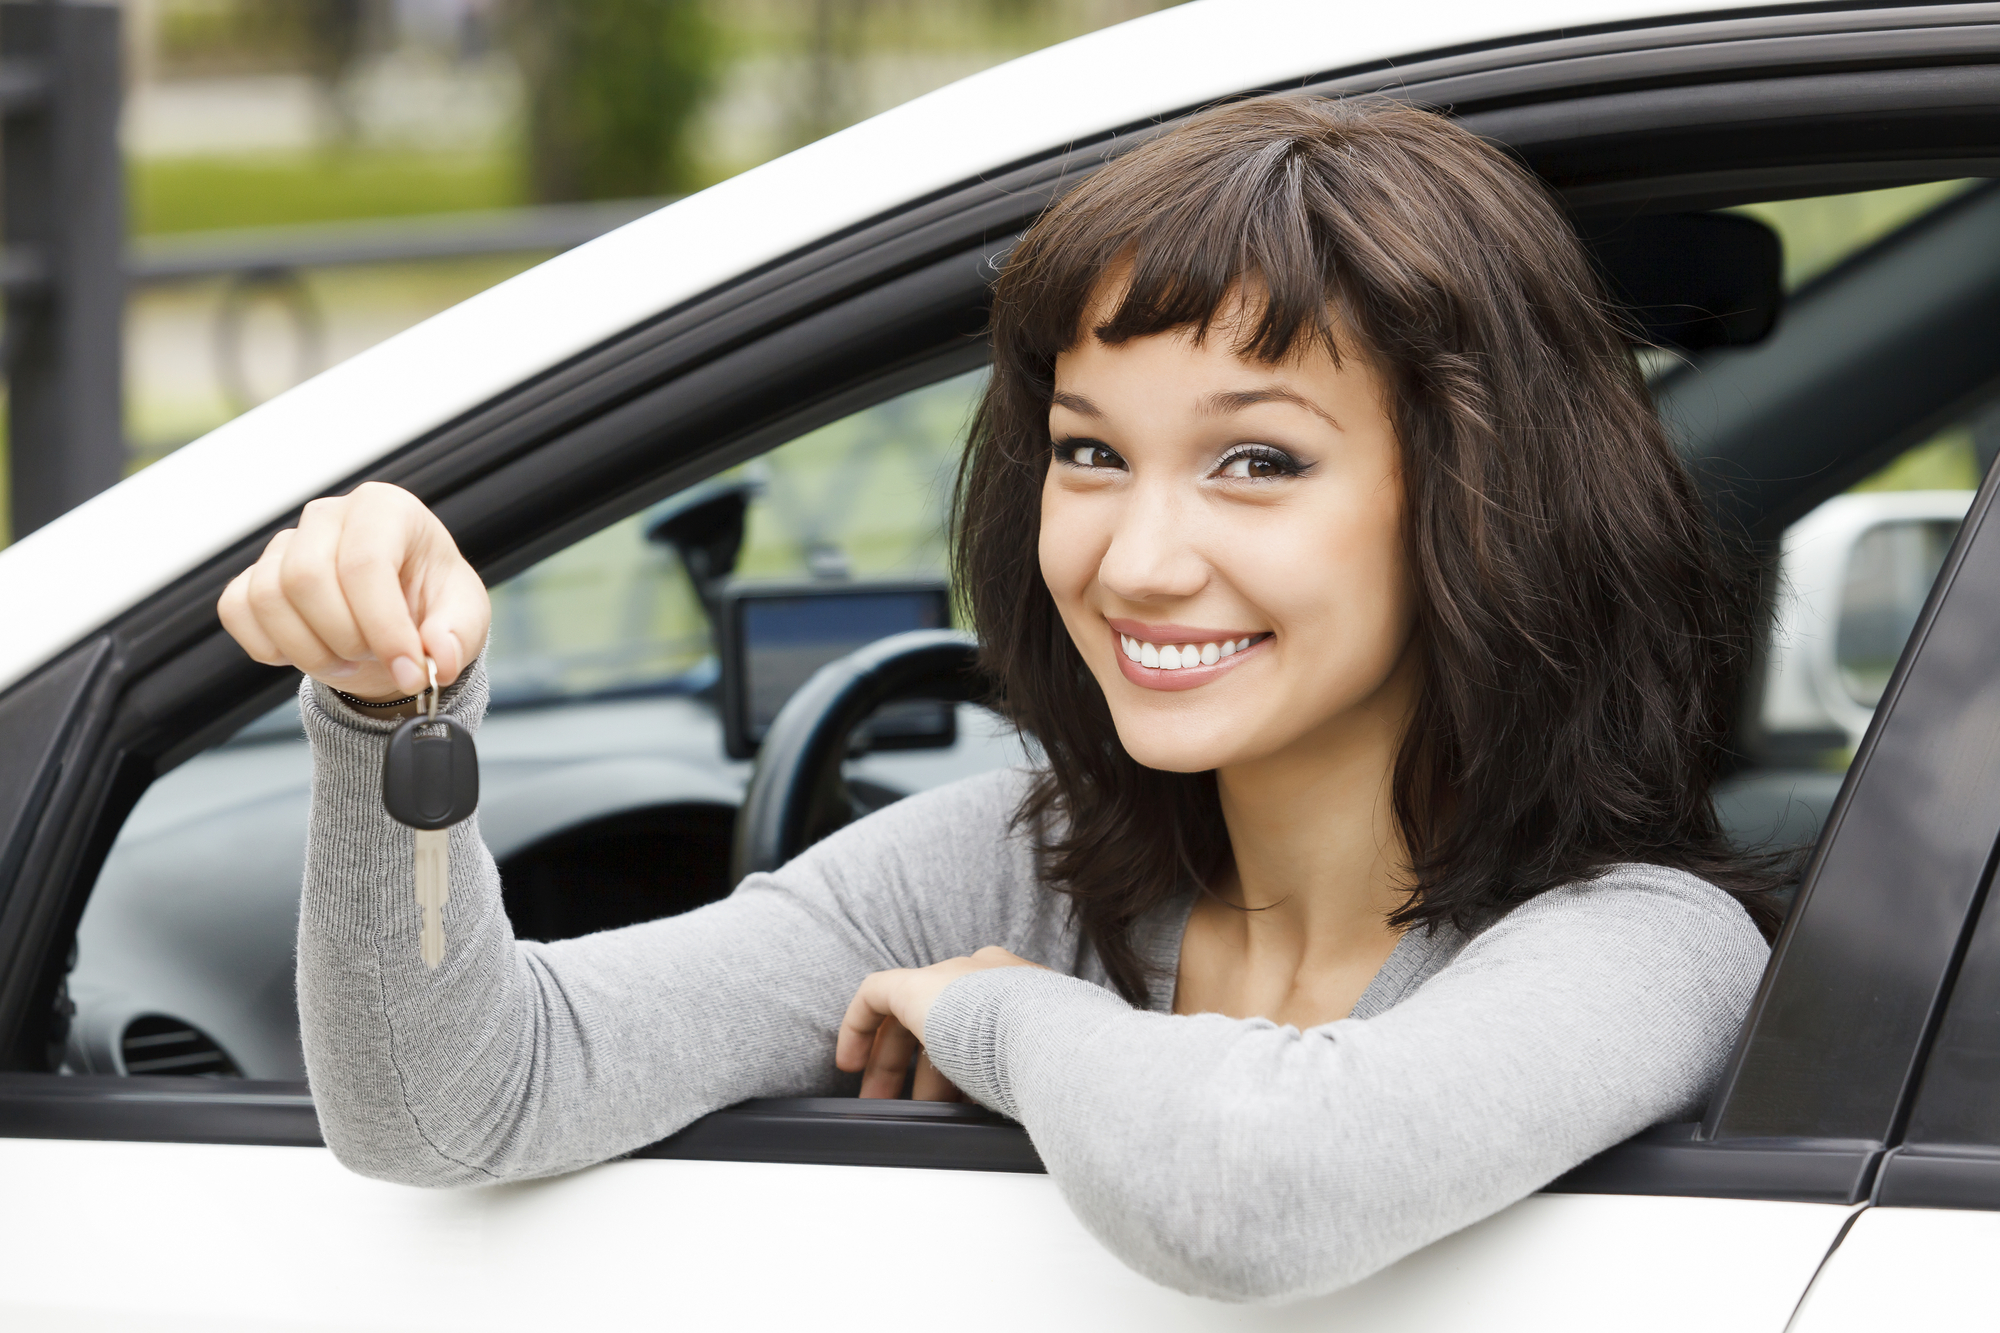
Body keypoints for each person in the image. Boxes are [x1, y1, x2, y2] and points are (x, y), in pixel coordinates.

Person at [217, 96, 1777, 1303]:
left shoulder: (1645, 942)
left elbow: (1267, 1186)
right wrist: (384, 710)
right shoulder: (996, 868)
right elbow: (456, 1099)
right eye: (1092, 450)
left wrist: (991, 1014)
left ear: (1478, 499)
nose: (1139, 558)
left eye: (1257, 460)